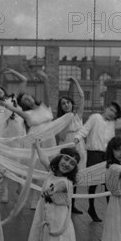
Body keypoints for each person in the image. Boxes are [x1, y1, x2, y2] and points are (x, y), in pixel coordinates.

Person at [74, 102, 121, 222]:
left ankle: (112, 208)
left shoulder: (112, 123)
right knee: (93, 181)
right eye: (111, 109)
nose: (112, 113)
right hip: (94, 153)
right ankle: (91, 207)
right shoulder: (95, 117)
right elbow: (85, 129)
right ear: (105, 108)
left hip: (107, 155)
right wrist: (76, 139)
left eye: (115, 113)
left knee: (108, 181)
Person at [25, 141, 82, 241]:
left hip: (59, 223)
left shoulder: (66, 182)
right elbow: (44, 159)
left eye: (72, 163)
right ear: (59, 158)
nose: (67, 164)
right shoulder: (51, 173)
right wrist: (38, 146)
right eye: (66, 159)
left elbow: (57, 187)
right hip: (46, 217)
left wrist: (50, 192)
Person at [0, 69, 53, 207]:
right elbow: (15, 110)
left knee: (50, 169)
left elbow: (47, 92)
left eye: (27, 96)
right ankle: (34, 200)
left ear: (32, 96)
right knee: (36, 170)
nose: (27, 99)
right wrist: (5, 104)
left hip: (50, 142)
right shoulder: (26, 114)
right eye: (24, 100)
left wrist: (45, 78)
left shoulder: (45, 106)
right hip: (36, 143)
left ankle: (49, 196)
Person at [0, 68, 28, 202]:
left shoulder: (13, 98)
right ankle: (6, 189)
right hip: (8, 135)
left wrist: (13, 71)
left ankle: (19, 182)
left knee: (19, 160)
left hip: (20, 131)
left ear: (2, 89)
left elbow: (24, 80)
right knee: (8, 161)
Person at [55, 76, 86, 214]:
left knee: (75, 175)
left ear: (71, 104)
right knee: (64, 173)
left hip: (78, 145)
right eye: (63, 104)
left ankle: (72, 204)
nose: (66, 105)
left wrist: (75, 81)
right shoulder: (61, 120)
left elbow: (82, 97)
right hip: (67, 144)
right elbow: (61, 136)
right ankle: (62, 200)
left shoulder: (78, 115)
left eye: (68, 102)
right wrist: (66, 121)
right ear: (61, 108)